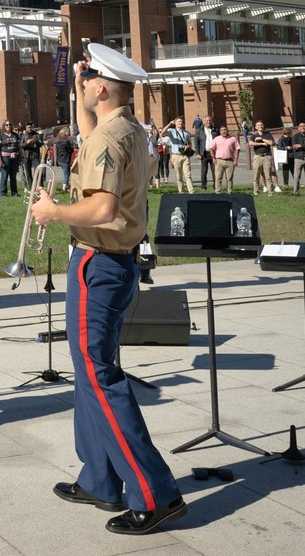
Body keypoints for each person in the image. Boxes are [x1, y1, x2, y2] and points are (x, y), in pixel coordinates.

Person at [31, 43, 186, 536]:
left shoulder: (104, 140)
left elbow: (100, 210)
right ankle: (100, 479)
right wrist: (79, 87)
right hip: (115, 264)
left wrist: (52, 213)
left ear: (103, 88)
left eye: (89, 82)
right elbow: (87, 129)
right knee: (90, 371)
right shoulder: (129, 129)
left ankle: (155, 493)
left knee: (99, 377)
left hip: (96, 263)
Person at [163, 116, 193, 194]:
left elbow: (190, 143)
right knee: (179, 176)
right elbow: (162, 133)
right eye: (178, 121)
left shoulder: (186, 133)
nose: (180, 123)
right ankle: (181, 191)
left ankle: (191, 191)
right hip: (176, 155)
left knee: (188, 174)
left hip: (185, 156)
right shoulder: (171, 131)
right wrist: (169, 124)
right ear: (175, 123)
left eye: (181, 121)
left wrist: (188, 147)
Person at [209, 125, 240, 193]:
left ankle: (229, 192)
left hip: (230, 161)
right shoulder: (217, 139)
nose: (224, 131)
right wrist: (213, 158)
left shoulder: (233, 139)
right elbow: (211, 148)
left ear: (227, 130)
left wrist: (236, 159)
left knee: (229, 178)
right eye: (222, 130)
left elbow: (237, 149)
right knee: (218, 177)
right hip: (219, 161)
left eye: (225, 130)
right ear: (220, 132)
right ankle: (218, 192)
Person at [249, 121, 276, 196]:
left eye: (261, 125)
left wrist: (262, 139)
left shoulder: (267, 134)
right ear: (255, 127)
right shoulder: (254, 135)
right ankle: (256, 192)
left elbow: (271, 143)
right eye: (258, 125)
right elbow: (251, 143)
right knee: (256, 175)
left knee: (268, 175)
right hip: (257, 156)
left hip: (266, 156)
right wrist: (261, 143)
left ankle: (270, 192)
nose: (260, 126)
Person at [0, 121, 21, 197]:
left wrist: (21, 157)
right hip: (5, 157)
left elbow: (19, 147)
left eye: (10, 124)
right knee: (4, 176)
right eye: (7, 125)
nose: (8, 126)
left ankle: (15, 193)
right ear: (4, 126)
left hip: (14, 157)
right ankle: (3, 193)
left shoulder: (15, 135)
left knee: (13, 176)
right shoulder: (0, 135)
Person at [193, 116, 216, 191]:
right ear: (204, 121)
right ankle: (203, 186)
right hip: (204, 154)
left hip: (213, 154)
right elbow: (196, 143)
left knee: (215, 172)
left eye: (210, 120)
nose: (208, 122)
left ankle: (216, 186)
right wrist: (197, 153)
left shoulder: (215, 130)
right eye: (207, 120)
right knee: (204, 171)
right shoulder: (199, 130)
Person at [19, 121, 43, 193]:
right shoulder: (24, 136)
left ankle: (40, 187)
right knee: (28, 173)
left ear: (33, 127)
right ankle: (32, 188)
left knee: (38, 171)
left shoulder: (37, 135)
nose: (29, 129)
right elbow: (21, 145)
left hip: (35, 156)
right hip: (26, 156)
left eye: (30, 127)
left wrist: (35, 141)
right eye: (27, 128)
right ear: (26, 128)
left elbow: (41, 143)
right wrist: (27, 142)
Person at [55, 127, 75, 192]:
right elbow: (70, 150)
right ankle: (64, 188)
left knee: (64, 173)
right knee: (67, 174)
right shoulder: (66, 141)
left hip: (60, 159)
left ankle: (66, 185)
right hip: (65, 159)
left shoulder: (58, 141)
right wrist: (72, 149)